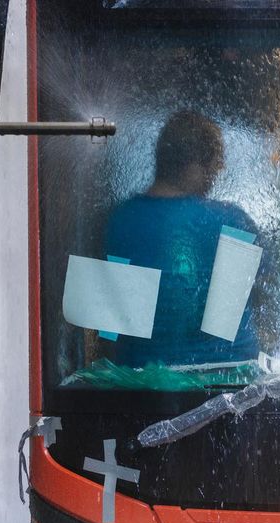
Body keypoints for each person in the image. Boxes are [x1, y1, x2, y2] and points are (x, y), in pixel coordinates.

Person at [104, 110, 264, 366]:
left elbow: (111, 331)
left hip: (139, 384)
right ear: (196, 165)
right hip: (226, 383)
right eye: (215, 164)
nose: (218, 172)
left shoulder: (120, 221)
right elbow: (248, 310)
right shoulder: (231, 223)